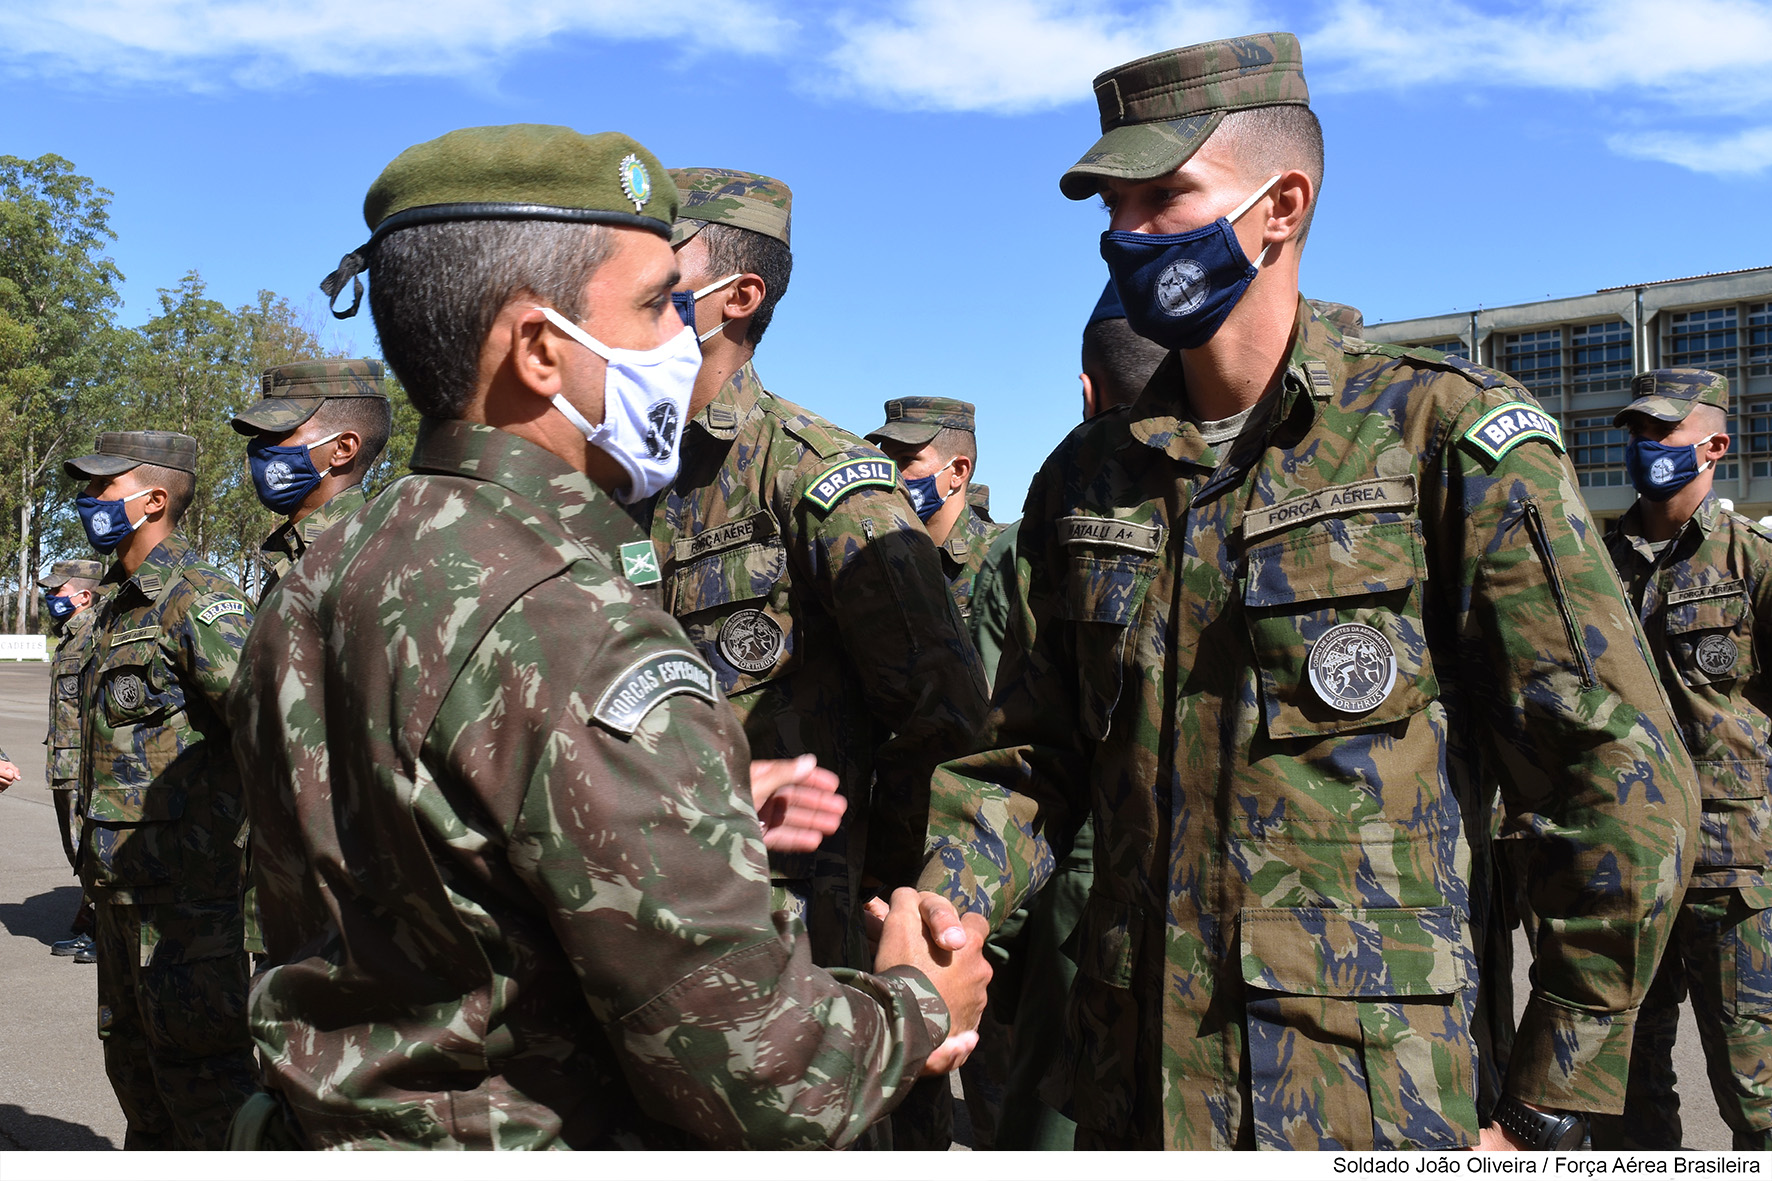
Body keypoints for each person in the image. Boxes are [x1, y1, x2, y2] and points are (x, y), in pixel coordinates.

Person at [912, 32, 1698, 1150]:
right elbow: (1026, 758)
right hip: (1132, 1096)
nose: (1125, 237)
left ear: (1280, 206)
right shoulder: (1085, 478)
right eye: (1114, 206)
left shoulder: (1442, 436)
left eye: (1164, 197)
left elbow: (1616, 769)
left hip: (1360, 1105)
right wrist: (950, 909)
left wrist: (1544, 1105)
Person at [229, 124, 989, 1150]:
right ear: (541, 349)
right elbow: (770, 1085)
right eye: (650, 308)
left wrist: (687, 804)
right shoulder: (574, 622)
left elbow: (423, 849)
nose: (677, 342)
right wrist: (920, 997)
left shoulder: (329, 561)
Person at [645, 168, 989, 974]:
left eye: (662, 268)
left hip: (794, 946)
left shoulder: (817, 479)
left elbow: (947, 718)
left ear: (739, 296)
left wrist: (880, 885)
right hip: (641, 927)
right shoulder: (613, 477)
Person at [1592, 368, 1772, 1150]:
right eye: (1636, 431)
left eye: (1661, 432)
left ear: (1715, 445)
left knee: (1756, 1093)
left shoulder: (1752, 562)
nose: (1644, 447)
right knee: (1628, 1096)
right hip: (1626, 866)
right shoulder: (1592, 565)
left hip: (1732, 874)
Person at [64, 430, 259, 1149]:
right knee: (139, 1079)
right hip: (119, 895)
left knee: (207, 1090)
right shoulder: (117, 607)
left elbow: (266, 733)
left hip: (187, 909)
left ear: (152, 500)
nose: (88, 501)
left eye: (102, 488)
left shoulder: (198, 600)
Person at [232, 358, 391, 600]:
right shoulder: (295, 558)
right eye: (260, 434)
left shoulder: (364, 565)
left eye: (281, 432)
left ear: (343, 449)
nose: (260, 446)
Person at [866, 398, 1006, 629]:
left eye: (907, 459)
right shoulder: (878, 560)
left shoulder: (1000, 558)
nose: (890, 474)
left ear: (958, 471)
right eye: (885, 460)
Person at [40, 557, 106, 963]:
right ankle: (93, 920)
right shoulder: (71, 636)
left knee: (93, 849)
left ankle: (105, 936)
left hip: (86, 766)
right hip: (65, 764)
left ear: (83, 596)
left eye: (57, 590)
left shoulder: (95, 637)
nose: (49, 596)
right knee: (78, 850)